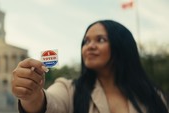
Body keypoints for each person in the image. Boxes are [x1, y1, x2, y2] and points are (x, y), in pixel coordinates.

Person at [11, 20, 168, 113]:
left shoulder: (153, 96)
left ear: (122, 47)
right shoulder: (69, 89)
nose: (89, 46)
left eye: (100, 40)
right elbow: (50, 103)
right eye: (86, 41)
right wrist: (31, 96)